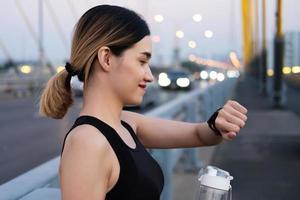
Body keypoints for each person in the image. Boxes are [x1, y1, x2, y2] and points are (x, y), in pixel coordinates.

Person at [39, 5, 247, 200]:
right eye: (142, 61)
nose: (150, 76)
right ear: (107, 58)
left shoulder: (127, 123)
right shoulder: (87, 143)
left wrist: (218, 122)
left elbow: (199, 135)